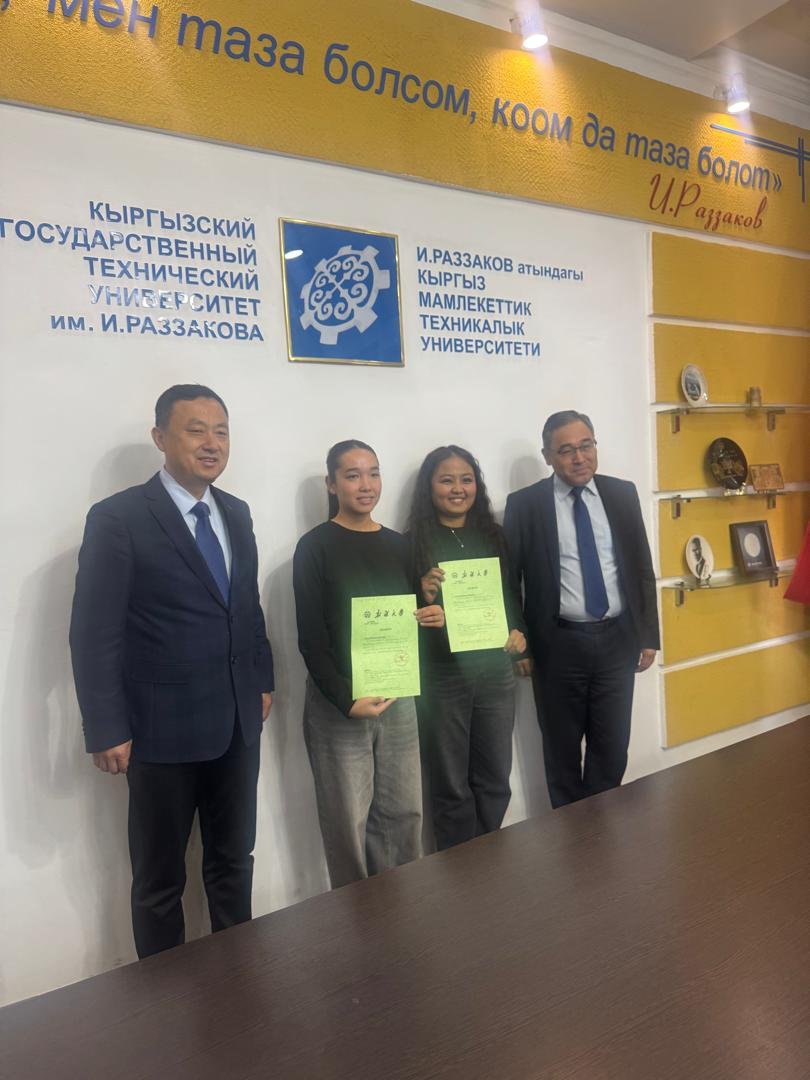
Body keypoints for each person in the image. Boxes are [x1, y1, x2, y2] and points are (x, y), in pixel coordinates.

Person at [69, 384, 274, 958]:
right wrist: (105, 725)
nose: (212, 443)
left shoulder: (236, 512)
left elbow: (246, 605)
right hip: (160, 730)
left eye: (221, 431)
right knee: (160, 879)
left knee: (233, 862)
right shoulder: (119, 517)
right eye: (196, 430)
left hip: (236, 723)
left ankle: (238, 976)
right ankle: (163, 999)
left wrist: (262, 679)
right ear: (160, 438)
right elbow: (93, 630)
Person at [292, 440, 444, 888]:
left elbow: (407, 622)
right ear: (332, 484)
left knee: (404, 812)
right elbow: (311, 638)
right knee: (347, 821)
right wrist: (346, 699)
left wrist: (430, 615)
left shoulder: (399, 545)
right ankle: (355, 916)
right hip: (340, 704)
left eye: (374, 473)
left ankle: (402, 908)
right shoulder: (314, 547)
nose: (366, 484)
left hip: (397, 696)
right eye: (353, 475)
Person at [504, 410, 659, 808]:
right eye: (566, 450)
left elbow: (641, 567)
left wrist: (648, 634)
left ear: (595, 445)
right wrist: (521, 646)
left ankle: (601, 835)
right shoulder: (525, 505)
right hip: (557, 646)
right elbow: (509, 581)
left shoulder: (621, 494)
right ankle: (571, 840)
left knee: (612, 751)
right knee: (562, 756)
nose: (579, 458)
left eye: (586, 445)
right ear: (548, 456)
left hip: (617, 641)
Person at [408, 445, 527, 849]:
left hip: (495, 672)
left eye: (466, 479)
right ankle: (458, 869)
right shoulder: (412, 543)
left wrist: (518, 632)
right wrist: (421, 595)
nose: (458, 488)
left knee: (495, 777)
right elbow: (404, 618)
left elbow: (511, 596)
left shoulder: (495, 535)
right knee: (450, 784)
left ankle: (490, 857)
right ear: (429, 487)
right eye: (446, 480)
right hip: (444, 677)